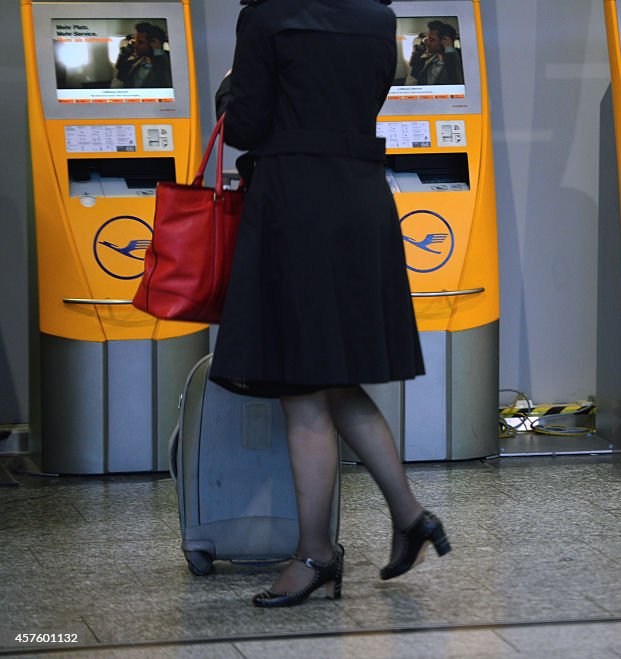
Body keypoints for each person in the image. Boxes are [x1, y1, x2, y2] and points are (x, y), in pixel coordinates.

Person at [212, 0, 449, 608]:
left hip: (296, 204)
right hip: (361, 198)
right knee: (336, 380)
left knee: (302, 389)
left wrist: (232, 95)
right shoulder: (377, 16)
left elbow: (245, 124)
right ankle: (410, 515)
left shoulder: (269, 16)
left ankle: (316, 554)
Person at [114, 22, 172, 88]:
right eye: (135, 42)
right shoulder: (136, 62)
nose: (135, 46)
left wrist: (158, 50)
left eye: (140, 42)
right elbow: (120, 77)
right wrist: (124, 54)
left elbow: (165, 77)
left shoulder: (168, 63)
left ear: (154, 43)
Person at [407, 19, 463, 85]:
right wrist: (416, 54)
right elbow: (414, 73)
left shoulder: (459, 61)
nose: (427, 43)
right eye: (427, 38)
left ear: (444, 42)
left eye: (432, 40)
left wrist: (449, 50)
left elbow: (456, 80)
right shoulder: (429, 59)